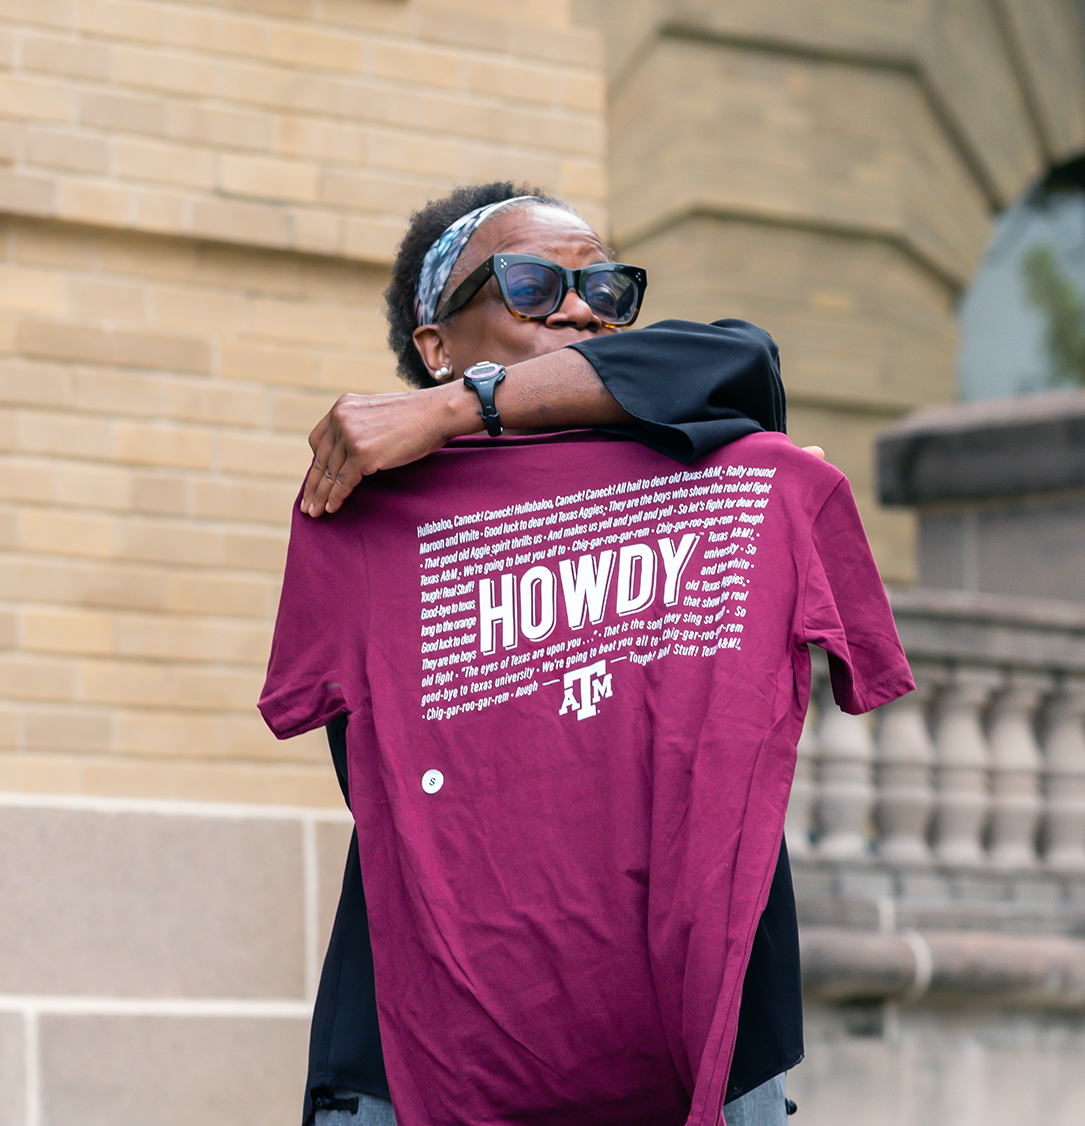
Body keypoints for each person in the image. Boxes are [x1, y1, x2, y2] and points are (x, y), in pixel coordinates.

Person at [283, 183, 887, 1125]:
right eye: (530, 284)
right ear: (435, 343)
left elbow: (740, 353)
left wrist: (458, 412)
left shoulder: (722, 470)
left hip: (698, 1035)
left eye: (607, 290)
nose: (576, 307)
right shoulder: (372, 509)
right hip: (426, 1043)